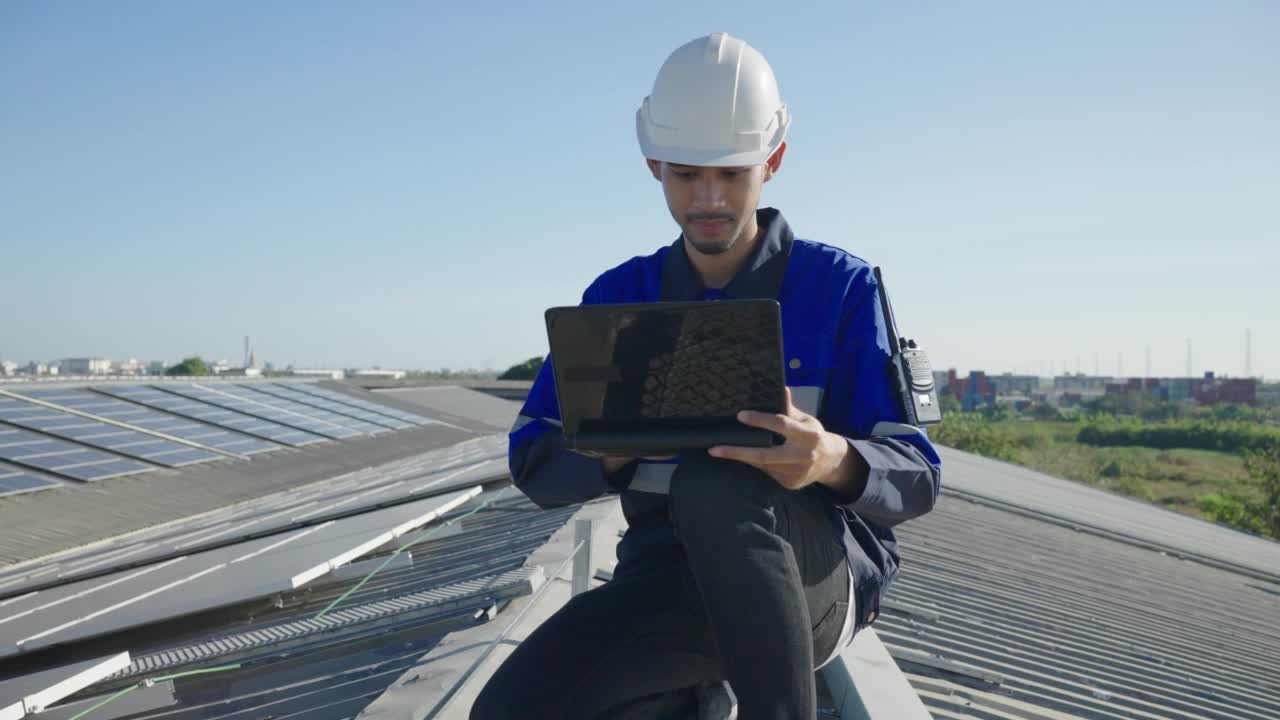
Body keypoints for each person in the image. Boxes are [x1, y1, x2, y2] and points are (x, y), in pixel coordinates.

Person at [472, 32, 942, 719]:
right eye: (688, 174)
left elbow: (918, 476)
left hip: (810, 579)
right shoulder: (616, 299)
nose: (709, 197)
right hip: (665, 580)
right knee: (516, 708)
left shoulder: (839, 288)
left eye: (732, 173)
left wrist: (829, 458)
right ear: (654, 164)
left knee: (716, 480)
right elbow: (532, 458)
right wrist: (611, 452)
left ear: (772, 161)